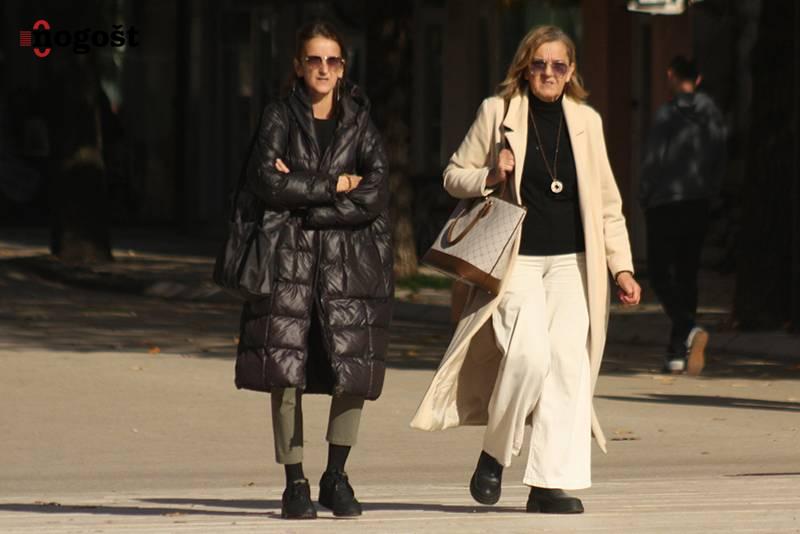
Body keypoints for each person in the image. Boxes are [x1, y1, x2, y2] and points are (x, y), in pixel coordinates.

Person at [411, 25, 641, 514]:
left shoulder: (587, 122)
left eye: (558, 65)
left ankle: (549, 484)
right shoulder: (497, 112)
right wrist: (491, 174)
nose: (548, 74)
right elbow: (452, 175)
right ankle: (495, 453)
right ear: (525, 67)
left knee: (567, 367)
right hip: (515, 261)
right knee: (529, 356)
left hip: (574, 265)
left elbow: (607, 204)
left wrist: (621, 268)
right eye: (540, 64)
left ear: (571, 71)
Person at [234, 20, 392, 520]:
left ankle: (336, 476)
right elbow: (266, 181)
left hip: (350, 264)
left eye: (332, 60)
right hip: (289, 259)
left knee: (352, 370)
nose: (323, 69)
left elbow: (374, 193)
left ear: (343, 68)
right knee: (286, 372)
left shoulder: (360, 122)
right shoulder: (279, 116)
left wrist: (306, 200)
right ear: (299, 66)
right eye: (314, 60)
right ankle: (295, 482)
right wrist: (334, 184)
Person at [640, 56, 726, 376]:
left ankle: (687, 328)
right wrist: (711, 192)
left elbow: (654, 159)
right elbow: (720, 156)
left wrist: (644, 194)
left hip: (664, 203)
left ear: (671, 76)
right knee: (687, 275)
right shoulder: (712, 114)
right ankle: (677, 351)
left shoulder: (666, 114)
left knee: (659, 274)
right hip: (698, 203)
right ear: (698, 79)